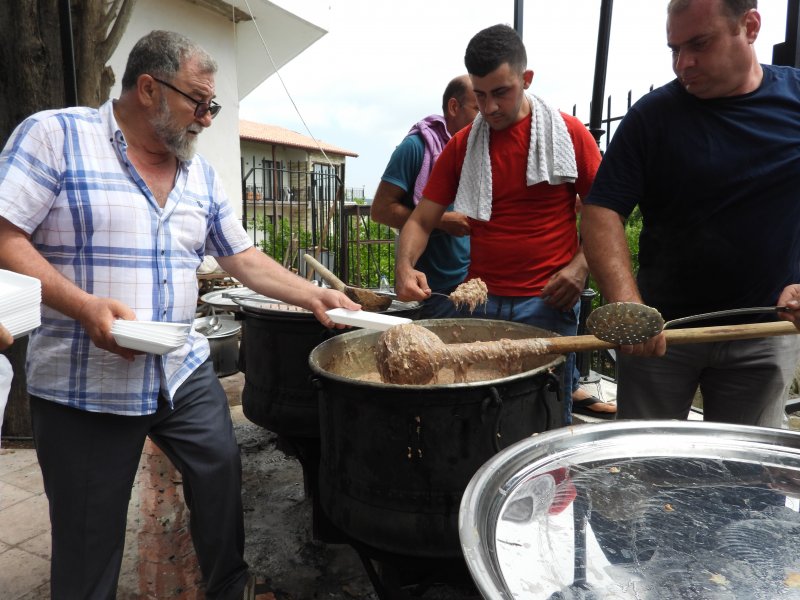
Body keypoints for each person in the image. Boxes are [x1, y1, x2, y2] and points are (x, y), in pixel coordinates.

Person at [0, 30, 359, 599]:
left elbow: (241, 256)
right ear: (148, 88)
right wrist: (85, 306)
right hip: (86, 381)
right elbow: (4, 234)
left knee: (220, 474)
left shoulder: (198, 173)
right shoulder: (55, 136)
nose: (208, 117)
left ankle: (230, 588)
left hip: (180, 367)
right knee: (90, 537)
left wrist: (312, 295)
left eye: (213, 105)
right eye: (199, 102)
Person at [580, 0, 800, 428]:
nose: (684, 63)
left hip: (763, 334)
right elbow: (601, 210)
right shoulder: (652, 117)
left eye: (699, 44)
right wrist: (628, 306)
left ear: (750, 26)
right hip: (662, 334)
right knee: (644, 467)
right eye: (674, 49)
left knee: (741, 481)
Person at [394, 24, 612, 422]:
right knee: (488, 417)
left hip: (549, 304)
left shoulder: (568, 134)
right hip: (482, 306)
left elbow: (607, 213)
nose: (490, 107)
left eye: (501, 92)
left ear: (526, 79)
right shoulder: (463, 145)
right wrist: (405, 267)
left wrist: (580, 269)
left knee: (546, 417)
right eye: (480, 95)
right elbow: (422, 219)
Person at [370, 75, 477, 319]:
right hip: (427, 290)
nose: (485, 118)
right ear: (453, 107)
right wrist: (442, 220)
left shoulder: (475, 152)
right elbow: (380, 210)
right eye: (477, 108)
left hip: (467, 286)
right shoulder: (416, 147)